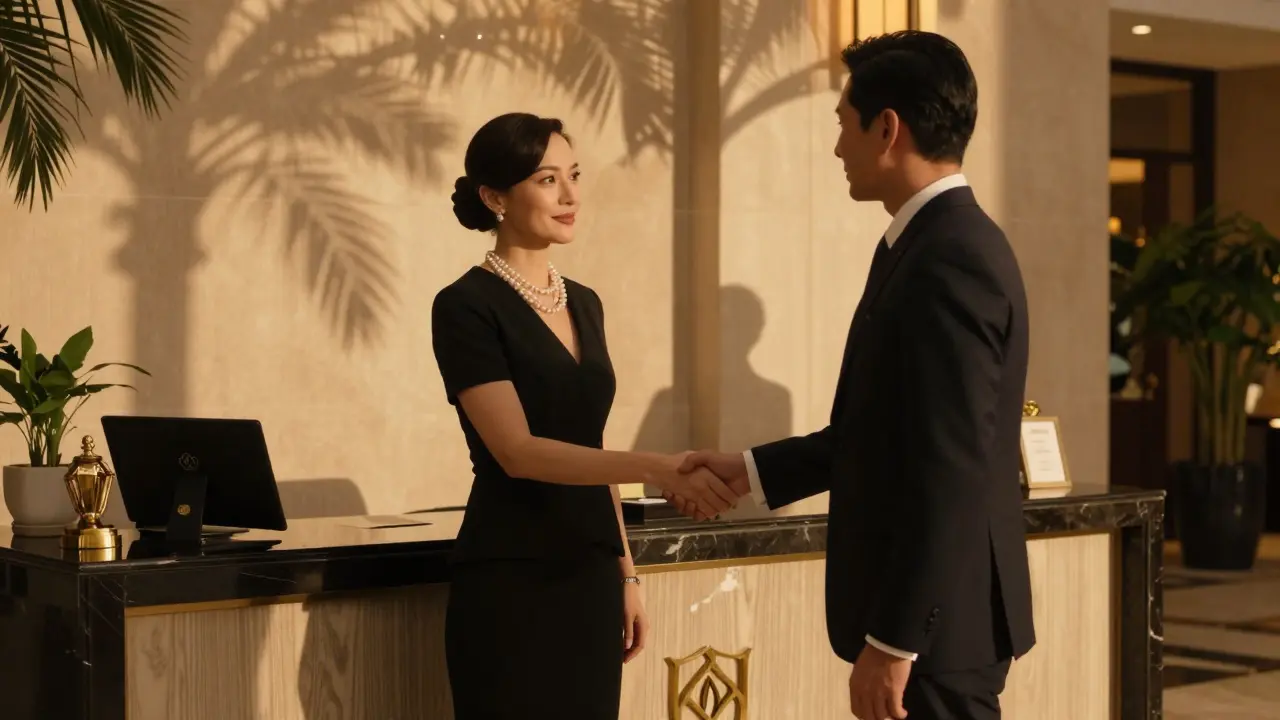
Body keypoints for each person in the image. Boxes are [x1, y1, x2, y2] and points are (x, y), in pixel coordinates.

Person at [672, 32, 1036, 720]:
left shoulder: (951, 258)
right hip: (935, 622)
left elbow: (950, 468)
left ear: (887, 129)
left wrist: (895, 641)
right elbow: (878, 435)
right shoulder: (922, 244)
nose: (838, 147)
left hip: (937, 630)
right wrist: (747, 468)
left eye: (843, 124)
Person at [431, 112, 736, 720]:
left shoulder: (586, 304)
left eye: (573, 175)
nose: (571, 196)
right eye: (547, 180)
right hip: (510, 576)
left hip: (591, 577)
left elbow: (591, 446)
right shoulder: (465, 306)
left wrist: (626, 573)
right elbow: (517, 452)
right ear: (495, 197)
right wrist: (660, 465)